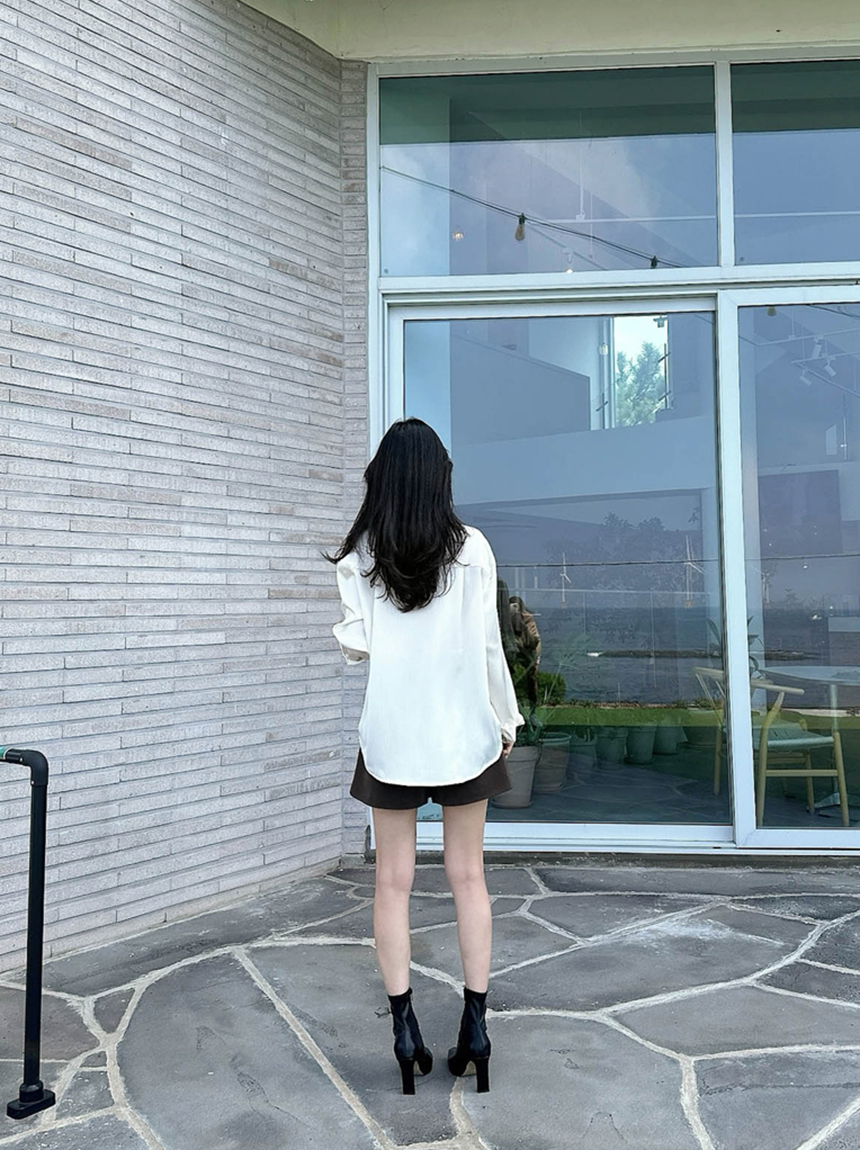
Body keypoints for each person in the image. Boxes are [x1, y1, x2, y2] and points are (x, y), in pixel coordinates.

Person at [323, 417, 525, 1096]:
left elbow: (356, 647)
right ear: (440, 479)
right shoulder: (473, 549)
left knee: (392, 883)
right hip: (465, 732)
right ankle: (476, 1028)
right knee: (469, 877)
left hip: (393, 737)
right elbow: (489, 645)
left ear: (382, 479)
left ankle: (405, 1031)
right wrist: (506, 718)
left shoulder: (362, 556)